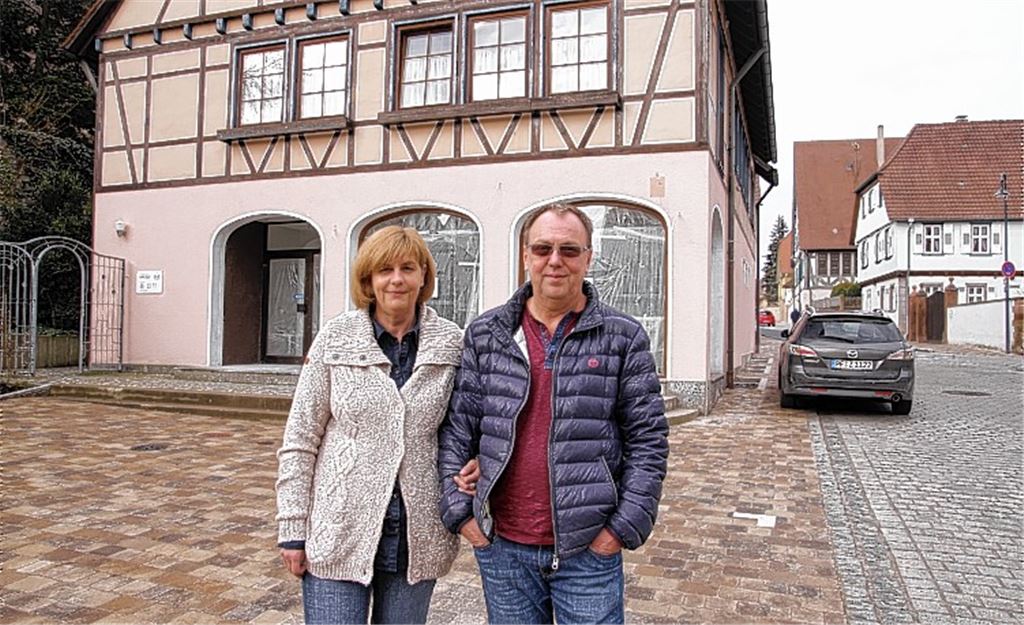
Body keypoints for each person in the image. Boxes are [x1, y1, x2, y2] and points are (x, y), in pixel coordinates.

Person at [437, 203, 670, 625]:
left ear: (588, 257)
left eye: (569, 250)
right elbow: (458, 429)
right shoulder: (487, 334)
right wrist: (462, 514)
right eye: (543, 249)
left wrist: (620, 529)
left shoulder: (622, 337)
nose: (555, 261)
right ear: (526, 255)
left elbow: (648, 441)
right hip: (503, 547)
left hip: (588, 549)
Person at [276, 225, 477, 625]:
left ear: (424, 276)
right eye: (385, 270)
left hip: (416, 538)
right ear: (368, 280)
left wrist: (475, 461)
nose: (396, 279)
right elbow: (301, 439)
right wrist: (292, 528)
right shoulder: (335, 338)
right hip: (339, 531)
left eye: (407, 268)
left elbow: (464, 426)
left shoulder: (451, 343)